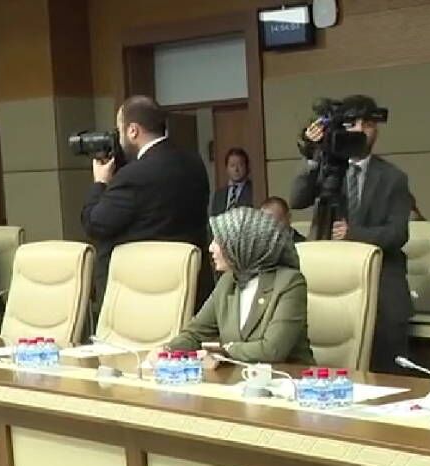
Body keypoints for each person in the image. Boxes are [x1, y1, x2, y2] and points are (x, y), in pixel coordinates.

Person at [289, 94, 412, 374]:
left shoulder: (393, 178)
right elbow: (296, 199)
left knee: (386, 366)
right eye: (353, 124)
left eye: (368, 124)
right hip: (332, 280)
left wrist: (353, 234)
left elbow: (398, 234)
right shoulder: (327, 166)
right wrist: (313, 155)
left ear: (376, 131)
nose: (360, 130)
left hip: (382, 282)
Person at [80, 95, 211, 317]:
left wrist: (100, 183)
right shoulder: (194, 162)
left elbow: (95, 224)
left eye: (119, 130)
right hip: (191, 288)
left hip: (144, 294)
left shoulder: (133, 176)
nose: (118, 138)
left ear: (133, 131)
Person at [163, 207, 313, 364]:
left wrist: (224, 351)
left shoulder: (289, 283)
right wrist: (167, 350)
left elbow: (272, 350)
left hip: (287, 376)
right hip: (237, 376)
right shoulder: (228, 281)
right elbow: (195, 334)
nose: (211, 248)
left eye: (218, 241)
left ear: (243, 244)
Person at [209, 148, 253, 215]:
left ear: (247, 167)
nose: (236, 169)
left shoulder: (254, 191)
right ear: (227, 169)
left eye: (240, 165)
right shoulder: (219, 195)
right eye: (232, 165)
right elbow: (213, 218)